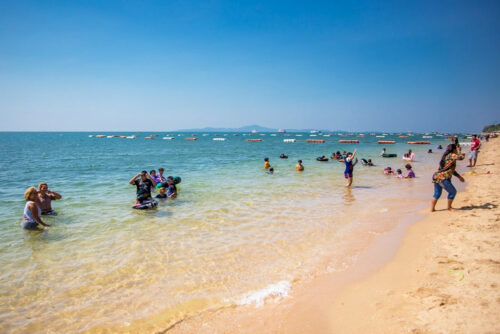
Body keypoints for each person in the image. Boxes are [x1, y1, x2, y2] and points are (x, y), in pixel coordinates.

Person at [431, 143, 465, 212]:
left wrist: (459, 177)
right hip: (443, 177)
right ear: (454, 149)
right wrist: (459, 151)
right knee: (453, 192)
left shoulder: (445, 156)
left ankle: (432, 209)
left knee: (437, 194)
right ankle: (449, 208)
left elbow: (451, 169)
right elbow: (461, 157)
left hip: (436, 176)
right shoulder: (452, 155)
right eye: (456, 149)